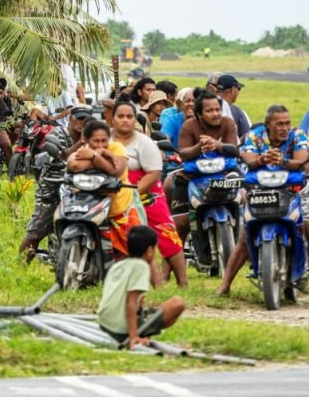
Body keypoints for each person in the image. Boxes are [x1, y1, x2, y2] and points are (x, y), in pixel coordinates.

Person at [216, 105, 309, 303]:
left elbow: (302, 161)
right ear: (268, 124)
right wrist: (262, 158)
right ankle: (225, 285)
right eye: (279, 124)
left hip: (295, 190)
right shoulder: (254, 136)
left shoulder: (298, 136)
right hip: (261, 190)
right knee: (245, 237)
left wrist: (283, 162)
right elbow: (249, 159)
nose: (284, 127)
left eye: (287, 123)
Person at [111, 102, 188, 288]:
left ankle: (182, 282)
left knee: (166, 233)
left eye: (129, 116)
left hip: (146, 188)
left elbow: (154, 173)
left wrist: (134, 194)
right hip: (114, 188)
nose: (125, 120)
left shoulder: (144, 142)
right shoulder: (105, 138)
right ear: (112, 118)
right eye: (120, 116)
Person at [19, 104, 93, 261]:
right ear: (71, 119)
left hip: (76, 191)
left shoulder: (92, 138)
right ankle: (21, 265)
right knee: (36, 232)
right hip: (52, 191)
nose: (82, 123)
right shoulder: (58, 133)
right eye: (79, 119)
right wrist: (81, 143)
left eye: (87, 120)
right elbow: (60, 156)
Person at [66, 119, 145, 258]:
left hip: (121, 207)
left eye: (104, 141)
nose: (101, 144)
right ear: (86, 140)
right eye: (96, 141)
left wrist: (94, 155)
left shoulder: (116, 147)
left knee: (138, 250)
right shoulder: (83, 151)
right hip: (94, 208)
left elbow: (116, 171)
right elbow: (74, 166)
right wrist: (101, 157)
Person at [97, 226, 185, 348]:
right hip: (119, 330)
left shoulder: (119, 265)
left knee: (148, 309)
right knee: (177, 303)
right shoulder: (141, 266)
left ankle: (143, 332)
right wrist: (133, 337)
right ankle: (139, 334)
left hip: (104, 324)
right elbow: (131, 302)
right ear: (149, 250)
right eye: (155, 249)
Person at [171, 91, 239, 244]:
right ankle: (170, 264)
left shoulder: (228, 123)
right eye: (209, 111)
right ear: (199, 114)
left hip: (225, 172)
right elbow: (183, 152)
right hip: (194, 175)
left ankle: (245, 245)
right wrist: (199, 147)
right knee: (181, 224)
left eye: (217, 110)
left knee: (248, 197)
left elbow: (233, 149)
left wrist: (217, 145)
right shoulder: (189, 126)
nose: (215, 114)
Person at [215, 75, 251, 139]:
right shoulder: (238, 112)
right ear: (232, 90)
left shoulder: (205, 104)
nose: (238, 92)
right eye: (238, 89)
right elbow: (248, 136)